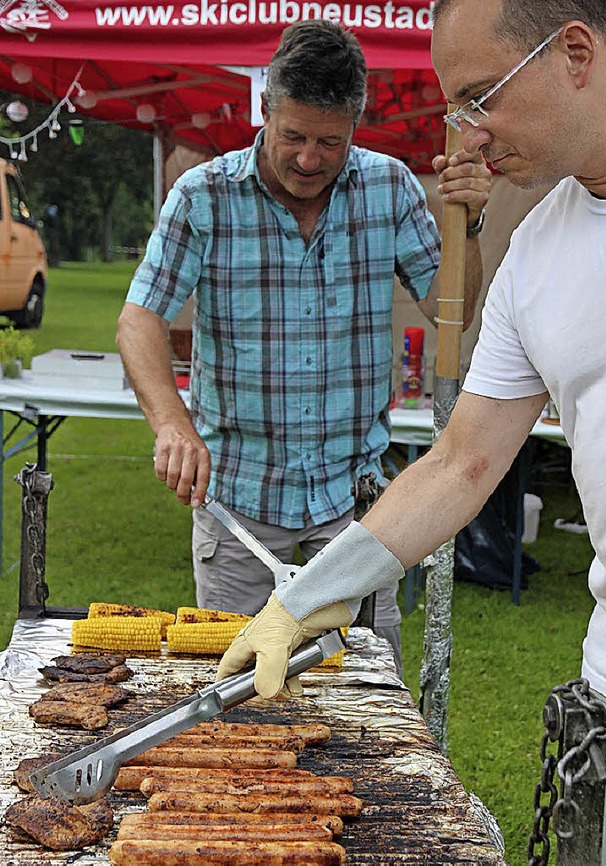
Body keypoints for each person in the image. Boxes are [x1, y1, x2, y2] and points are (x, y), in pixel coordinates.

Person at [217, 2, 606, 863]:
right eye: (458, 107)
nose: (470, 138)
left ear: (576, 53)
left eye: (482, 97)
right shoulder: (537, 253)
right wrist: (303, 597)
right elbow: (460, 461)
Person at [117, 19, 491, 678]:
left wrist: (472, 224)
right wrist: (172, 425)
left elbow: (448, 309)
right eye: (293, 136)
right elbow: (139, 318)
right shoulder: (204, 196)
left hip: (358, 509)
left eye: (330, 142)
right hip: (240, 511)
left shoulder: (390, 187)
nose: (310, 159)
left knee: (363, 700)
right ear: (265, 111)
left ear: (355, 126)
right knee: (239, 700)